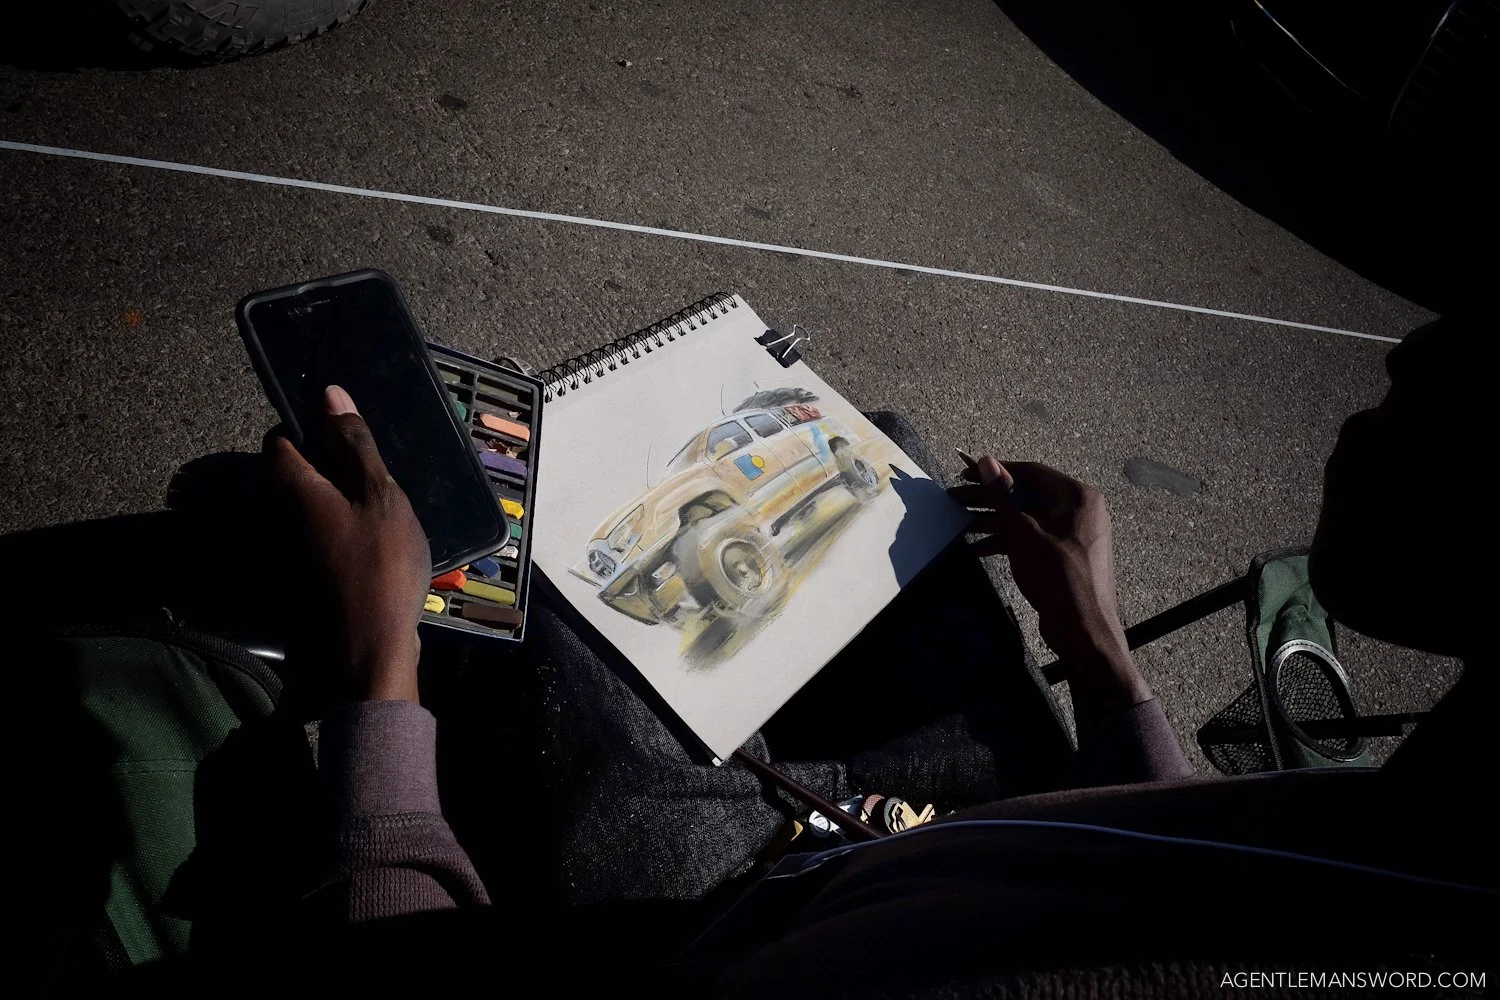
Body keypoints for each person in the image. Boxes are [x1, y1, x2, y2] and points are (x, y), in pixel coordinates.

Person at [260, 312, 1488, 994]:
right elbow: (1198, 872)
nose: (1411, 347)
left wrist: (382, 675)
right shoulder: (1414, 849)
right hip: (952, 837)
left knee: (518, 591)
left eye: (1494, 353)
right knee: (885, 458)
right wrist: (1099, 650)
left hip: (724, 919)